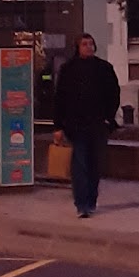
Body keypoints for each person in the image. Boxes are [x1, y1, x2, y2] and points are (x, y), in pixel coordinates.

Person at [52, 33, 120, 218]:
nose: (89, 47)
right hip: (76, 125)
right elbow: (60, 99)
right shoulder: (68, 70)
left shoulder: (104, 68)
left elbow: (113, 94)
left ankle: (91, 200)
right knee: (80, 162)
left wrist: (108, 118)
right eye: (84, 44)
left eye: (91, 43)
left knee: (95, 164)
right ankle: (81, 203)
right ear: (78, 47)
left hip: (98, 124)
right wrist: (58, 126)